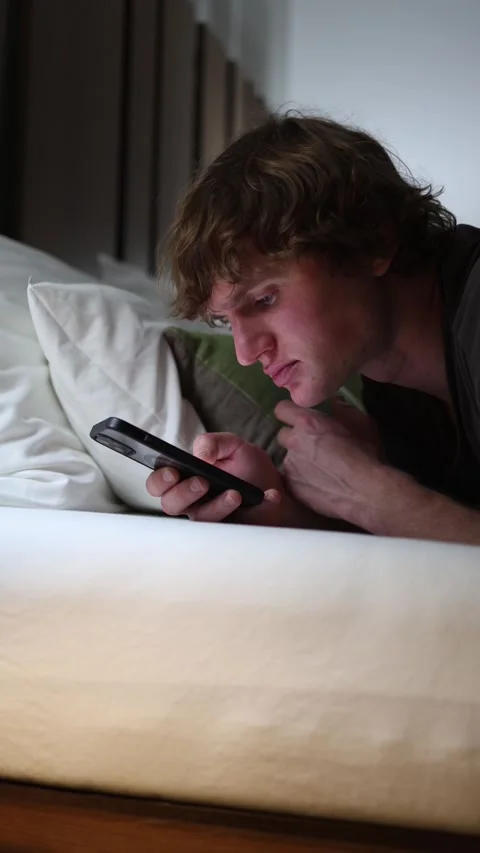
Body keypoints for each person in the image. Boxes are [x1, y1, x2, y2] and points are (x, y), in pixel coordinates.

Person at [147, 114, 480, 544]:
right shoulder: (393, 380)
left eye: (265, 299)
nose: (246, 352)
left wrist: (377, 498)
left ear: (372, 242)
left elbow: (408, 516)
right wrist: (275, 507)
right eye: (227, 322)